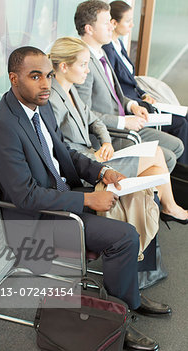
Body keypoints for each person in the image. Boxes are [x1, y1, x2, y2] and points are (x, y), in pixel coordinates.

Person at [0, 46, 174, 351]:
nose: (46, 84)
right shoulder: (1, 125)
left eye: (47, 75)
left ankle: (133, 293)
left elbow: (66, 154)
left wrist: (103, 170)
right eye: (35, 77)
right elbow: (24, 195)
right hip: (41, 219)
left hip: (64, 195)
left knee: (140, 193)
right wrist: (88, 202)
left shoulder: (39, 106)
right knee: (124, 236)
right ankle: (117, 319)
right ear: (13, 79)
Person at [49, 37, 188, 225]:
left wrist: (106, 141)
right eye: (83, 65)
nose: (87, 70)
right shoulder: (52, 101)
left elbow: (95, 121)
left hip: (94, 155)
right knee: (155, 155)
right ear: (64, 67)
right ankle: (167, 210)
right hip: (85, 168)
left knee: (155, 171)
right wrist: (96, 157)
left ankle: (140, 225)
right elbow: (62, 149)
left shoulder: (71, 90)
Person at [74, 0, 184, 175]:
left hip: (123, 122)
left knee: (177, 145)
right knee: (167, 156)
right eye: (106, 23)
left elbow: (115, 94)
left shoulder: (101, 53)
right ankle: (148, 197)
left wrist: (131, 105)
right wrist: (124, 122)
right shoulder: (82, 63)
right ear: (89, 29)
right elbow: (84, 113)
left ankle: (150, 193)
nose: (111, 27)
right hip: (107, 134)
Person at [102, 0, 188, 165]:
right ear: (113, 23)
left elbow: (131, 80)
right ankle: (182, 175)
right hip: (134, 108)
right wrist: (138, 101)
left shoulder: (118, 44)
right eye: (128, 21)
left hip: (139, 100)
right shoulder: (107, 50)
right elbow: (116, 88)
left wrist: (144, 93)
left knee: (186, 116)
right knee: (181, 125)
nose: (132, 25)